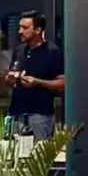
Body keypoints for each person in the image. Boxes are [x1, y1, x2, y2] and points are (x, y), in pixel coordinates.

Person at [6, 11, 64, 141]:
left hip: (40, 115)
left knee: (39, 152)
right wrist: (10, 79)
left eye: (25, 28)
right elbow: (12, 75)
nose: (20, 31)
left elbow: (62, 83)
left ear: (38, 30)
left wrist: (37, 82)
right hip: (16, 113)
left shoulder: (52, 52)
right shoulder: (19, 50)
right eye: (19, 27)